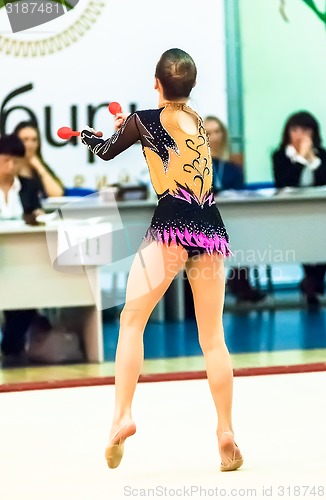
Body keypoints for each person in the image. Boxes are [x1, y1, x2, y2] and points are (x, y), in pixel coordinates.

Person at [81, 48, 243, 471]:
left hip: (172, 223)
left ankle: (123, 415)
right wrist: (130, 129)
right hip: (209, 227)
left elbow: (105, 151)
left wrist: (89, 135)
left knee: (132, 321)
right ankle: (225, 429)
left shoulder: (145, 120)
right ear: (190, 86)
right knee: (213, 338)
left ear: (156, 84)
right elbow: (164, 144)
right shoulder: (198, 122)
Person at [272, 111, 326, 306]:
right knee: (304, 238)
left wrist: (312, 159)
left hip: (319, 212)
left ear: (314, 133)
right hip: (290, 213)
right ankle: (312, 284)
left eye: (305, 130)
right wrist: (300, 158)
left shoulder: (322, 153)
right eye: (295, 129)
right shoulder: (280, 155)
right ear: (287, 132)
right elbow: (284, 182)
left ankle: (312, 281)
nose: (300, 134)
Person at [204, 115, 266, 303]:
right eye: (208, 133)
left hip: (231, 220)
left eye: (217, 132)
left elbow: (239, 195)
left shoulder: (232, 168)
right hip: (203, 219)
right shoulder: (192, 166)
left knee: (245, 230)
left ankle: (239, 281)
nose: (214, 137)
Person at [0, 134, 42, 362]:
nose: (10, 166)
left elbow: (37, 213)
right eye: (5, 160)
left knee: (27, 296)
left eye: (16, 161)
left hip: (24, 260)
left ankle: (11, 349)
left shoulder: (28, 187)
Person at [13, 121, 64, 198]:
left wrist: (38, 166)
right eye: (25, 140)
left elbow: (57, 194)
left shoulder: (40, 166)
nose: (30, 145)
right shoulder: (7, 167)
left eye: (34, 140)